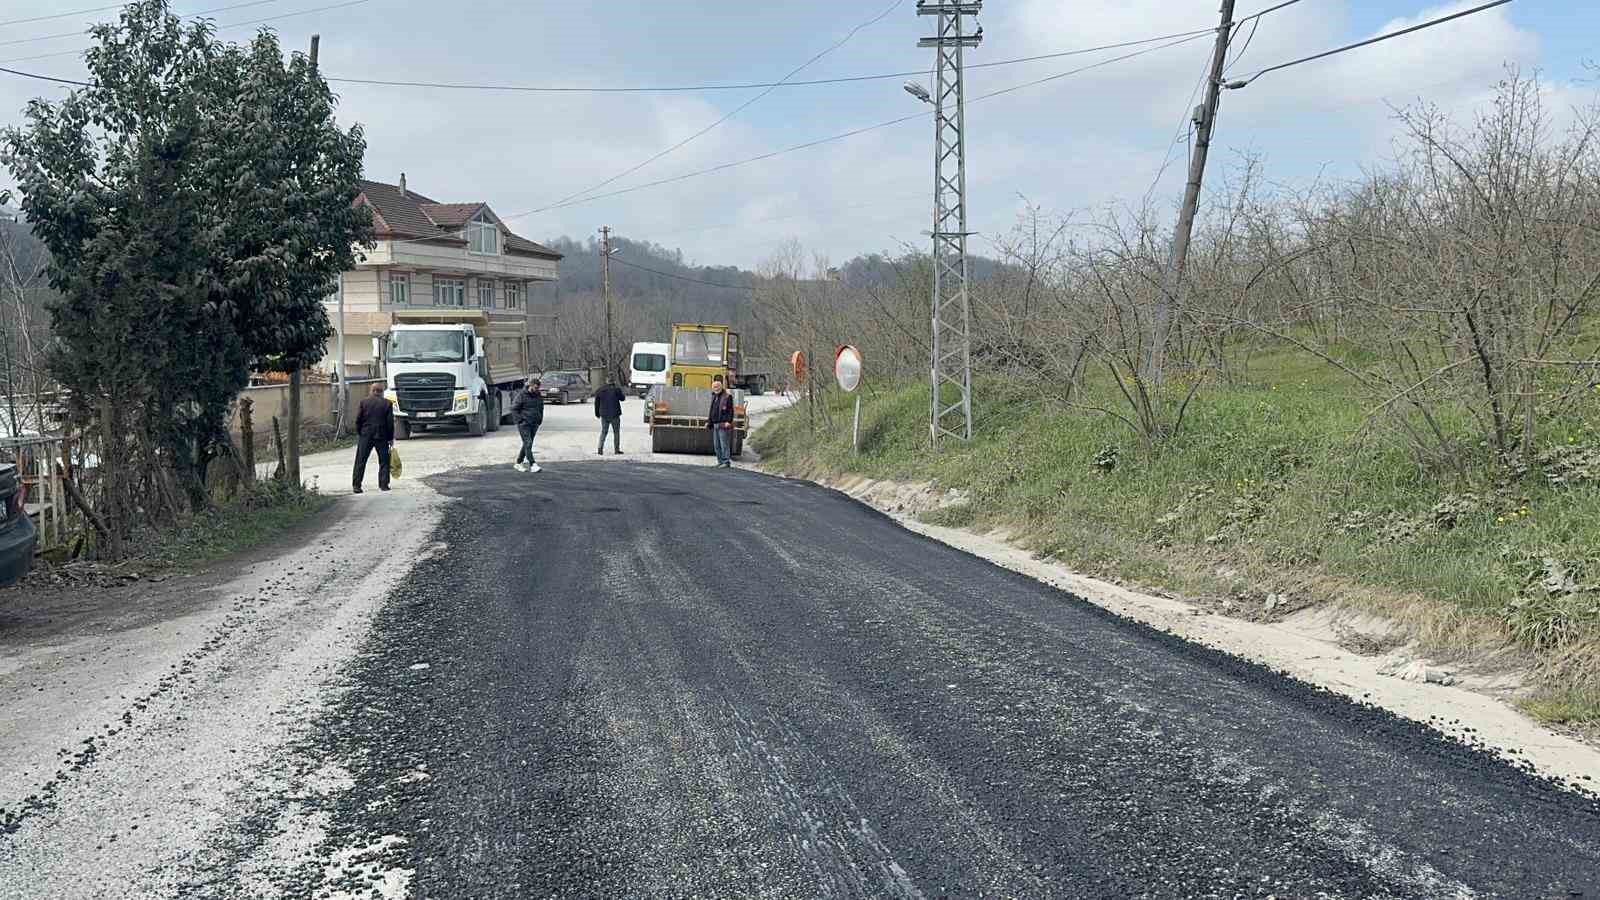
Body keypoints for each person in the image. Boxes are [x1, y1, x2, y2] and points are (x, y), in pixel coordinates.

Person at [352, 383, 395, 494]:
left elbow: (358, 420)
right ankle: (384, 485)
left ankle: (357, 486)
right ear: (381, 392)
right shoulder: (387, 403)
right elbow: (390, 423)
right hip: (382, 435)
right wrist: (390, 438)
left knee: (360, 460)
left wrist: (360, 433)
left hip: (366, 435)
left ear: (371, 391)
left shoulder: (364, 402)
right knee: (384, 461)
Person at [512, 378, 544, 473]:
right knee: (528, 443)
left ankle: (518, 463)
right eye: (535, 387)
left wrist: (539, 420)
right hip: (524, 424)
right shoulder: (521, 395)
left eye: (538, 388)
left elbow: (541, 407)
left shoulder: (538, 395)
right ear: (530, 385)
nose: (537, 389)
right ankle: (532, 464)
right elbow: (514, 409)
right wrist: (520, 420)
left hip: (534, 423)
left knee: (527, 444)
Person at [706, 376, 736, 468]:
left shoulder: (727, 397)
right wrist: (709, 422)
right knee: (717, 445)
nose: (715, 389)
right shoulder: (714, 396)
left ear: (721, 387)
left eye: (717, 387)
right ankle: (720, 461)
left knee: (724, 444)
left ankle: (726, 462)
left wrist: (729, 421)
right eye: (714, 387)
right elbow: (711, 411)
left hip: (723, 424)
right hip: (715, 424)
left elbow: (731, 411)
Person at [593, 377, 625, 455]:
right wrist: (619, 391)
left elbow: (596, 403)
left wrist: (597, 413)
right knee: (616, 432)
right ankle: (616, 450)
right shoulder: (616, 389)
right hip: (615, 414)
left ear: (606, 381)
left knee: (604, 432)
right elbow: (622, 398)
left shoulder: (600, 390)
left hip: (604, 415)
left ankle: (600, 449)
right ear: (613, 381)